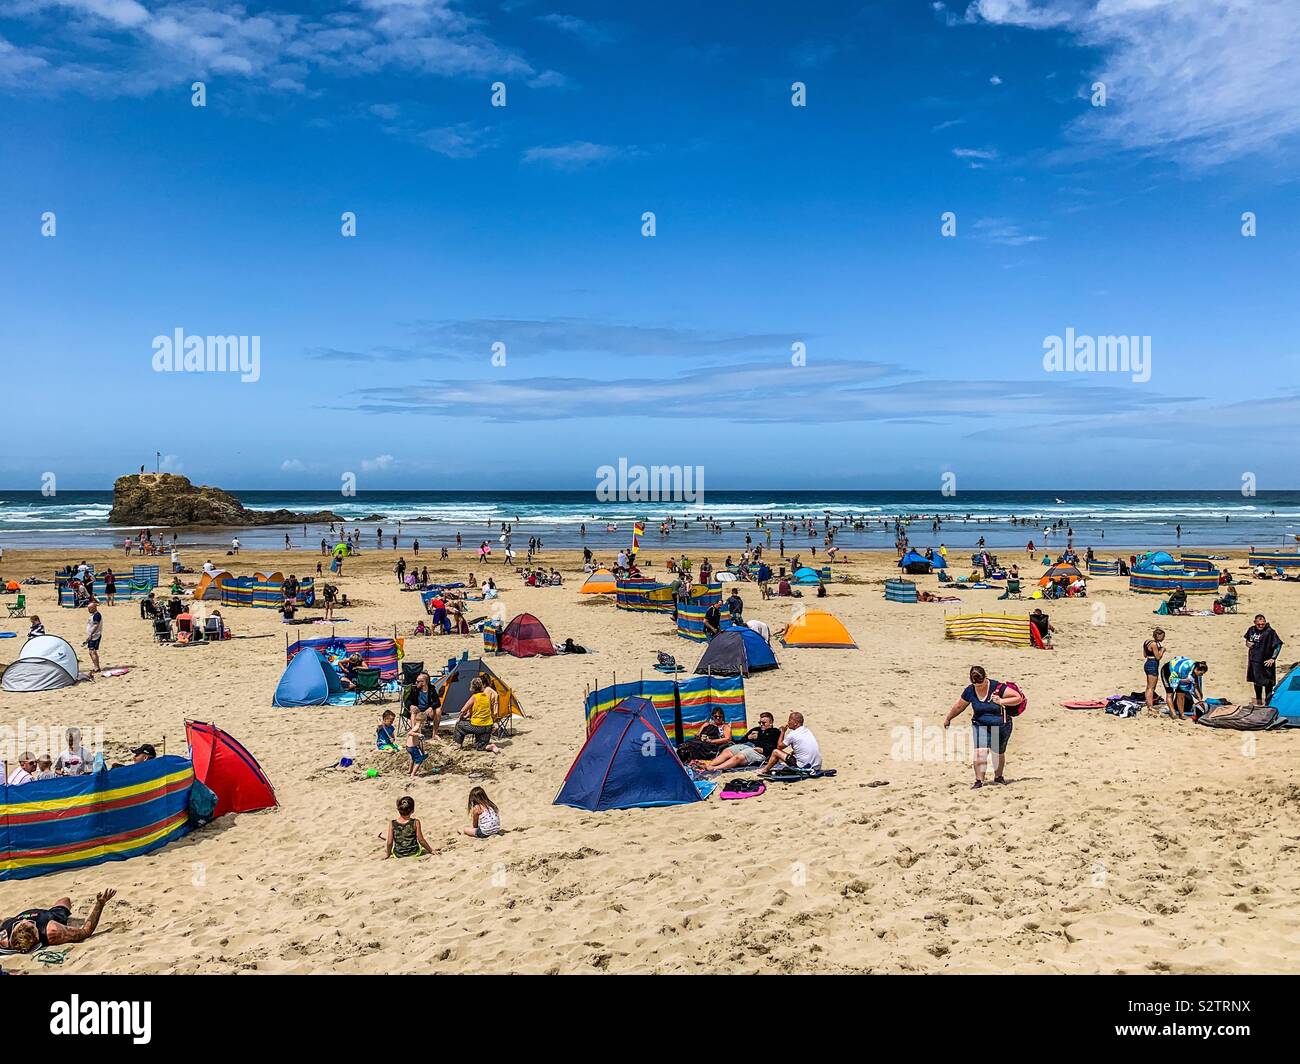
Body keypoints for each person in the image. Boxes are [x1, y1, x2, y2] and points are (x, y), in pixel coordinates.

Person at [942, 666, 1022, 788]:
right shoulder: (970, 690)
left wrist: (1001, 701)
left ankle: (998, 777)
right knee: (980, 752)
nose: (979, 686)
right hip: (980, 724)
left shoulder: (997, 687)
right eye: (976, 685)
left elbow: (1018, 698)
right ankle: (979, 781)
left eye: (981, 683)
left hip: (999, 724)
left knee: (997, 752)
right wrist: (949, 718)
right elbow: (959, 706)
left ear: (986, 677)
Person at [0, 890, 116, 953]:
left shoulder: (3, 938)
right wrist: (99, 905)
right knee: (65, 901)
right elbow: (86, 931)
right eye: (28, 923)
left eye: (22, 923)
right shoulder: (53, 931)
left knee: (6, 920)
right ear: (37, 936)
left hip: (14, 918)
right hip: (49, 916)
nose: (25, 920)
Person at [692, 711, 780, 771]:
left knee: (738, 757)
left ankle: (715, 768)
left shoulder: (775, 732)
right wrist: (748, 738)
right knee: (727, 751)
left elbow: (774, 747)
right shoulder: (756, 729)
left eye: (763, 723)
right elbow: (741, 741)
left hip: (759, 751)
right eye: (759, 722)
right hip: (747, 745)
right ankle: (710, 764)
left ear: (771, 722)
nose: (761, 725)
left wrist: (763, 749)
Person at [454, 677, 501, 752]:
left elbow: (463, 710)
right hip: (489, 726)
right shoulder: (486, 696)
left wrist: (459, 718)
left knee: (459, 725)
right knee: (479, 746)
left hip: (478, 726)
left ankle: (458, 745)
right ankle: (491, 747)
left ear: (472, 687)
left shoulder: (474, 697)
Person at [1245, 614, 1282, 705]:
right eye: (1259, 624)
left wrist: (1273, 658)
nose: (1261, 626)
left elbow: (1278, 645)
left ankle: (1268, 703)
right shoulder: (1251, 630)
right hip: (1254, 661)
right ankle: (1259, 702)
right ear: (1255, 623)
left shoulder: (1270, 632)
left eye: (1263, 624)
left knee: (1268, 683)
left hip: (1266, 662)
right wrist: (1247, 643)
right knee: (1257, 682)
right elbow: (1247, 640)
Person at [1142, 628, 1166, 715]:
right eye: (1162, 636)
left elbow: (1145, 655)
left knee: (1149, 686)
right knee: (1151, 687)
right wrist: (1162, 651)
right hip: (1153, 664)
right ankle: (1150, 706)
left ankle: (1149, 704)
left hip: (1147, 663)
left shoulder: (1147, 642)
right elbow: (1158, 657)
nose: (1163, 638)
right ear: (1158, 636)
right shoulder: (1154, 644)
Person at [84, 601, 103, 672]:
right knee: (91, 651)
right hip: (93, 635)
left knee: (92, 651)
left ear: (94, 608)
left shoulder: (96, 615)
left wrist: (91, 634)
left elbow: (96, 625)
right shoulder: (94, 615)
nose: (88, 610)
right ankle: (96, 666)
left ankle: (97, 667)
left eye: (89, 609)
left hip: (95, 636)